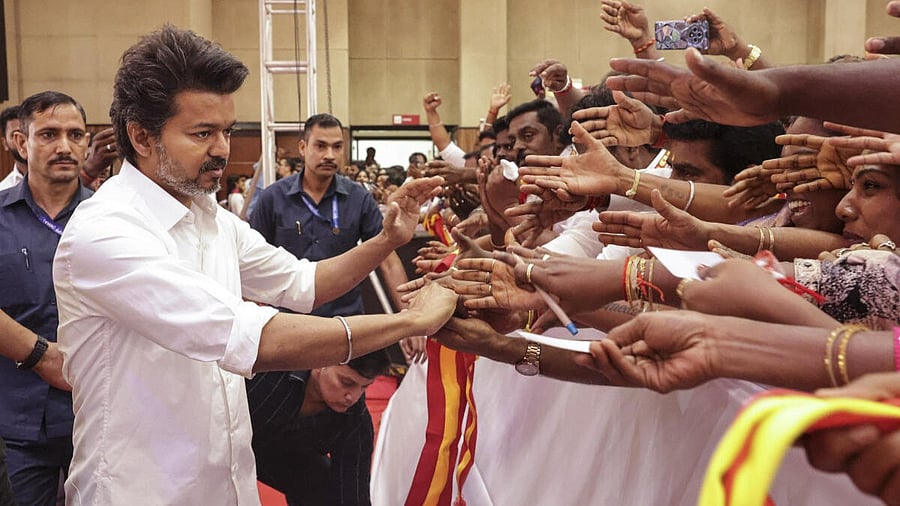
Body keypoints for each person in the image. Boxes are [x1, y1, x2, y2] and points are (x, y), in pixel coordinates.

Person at [52, 25, 456, 505]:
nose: (222, 149)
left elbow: (303, 282)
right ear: (141, 136)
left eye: (226, 131)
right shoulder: (105, 231)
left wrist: (387, 238)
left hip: (225, 480)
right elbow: (252, 337)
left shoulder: (212, 218)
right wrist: (408, 321)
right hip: (142, 486)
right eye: (203, 133)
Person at [1, 91, 93, 505]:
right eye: (50, 134)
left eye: (76, 135)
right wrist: (39, 354)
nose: (65, 146)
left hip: (99, 415)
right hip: (17, 421)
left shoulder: (113, 221)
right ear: (22, 143)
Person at [248, 350, 391, 506]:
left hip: (283, 458)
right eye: (346, 382)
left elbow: (354, 493)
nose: (353, 396)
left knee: (325, 486)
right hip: (231, 441)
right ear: (319, 363)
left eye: (364, 387)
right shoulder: (269, 372)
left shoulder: (356, 419)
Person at [0, 105, 26, 191]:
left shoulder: (64, 179)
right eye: (15, 136)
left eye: (27, 133)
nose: (23, 141)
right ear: (5, 143)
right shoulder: (3, 191)